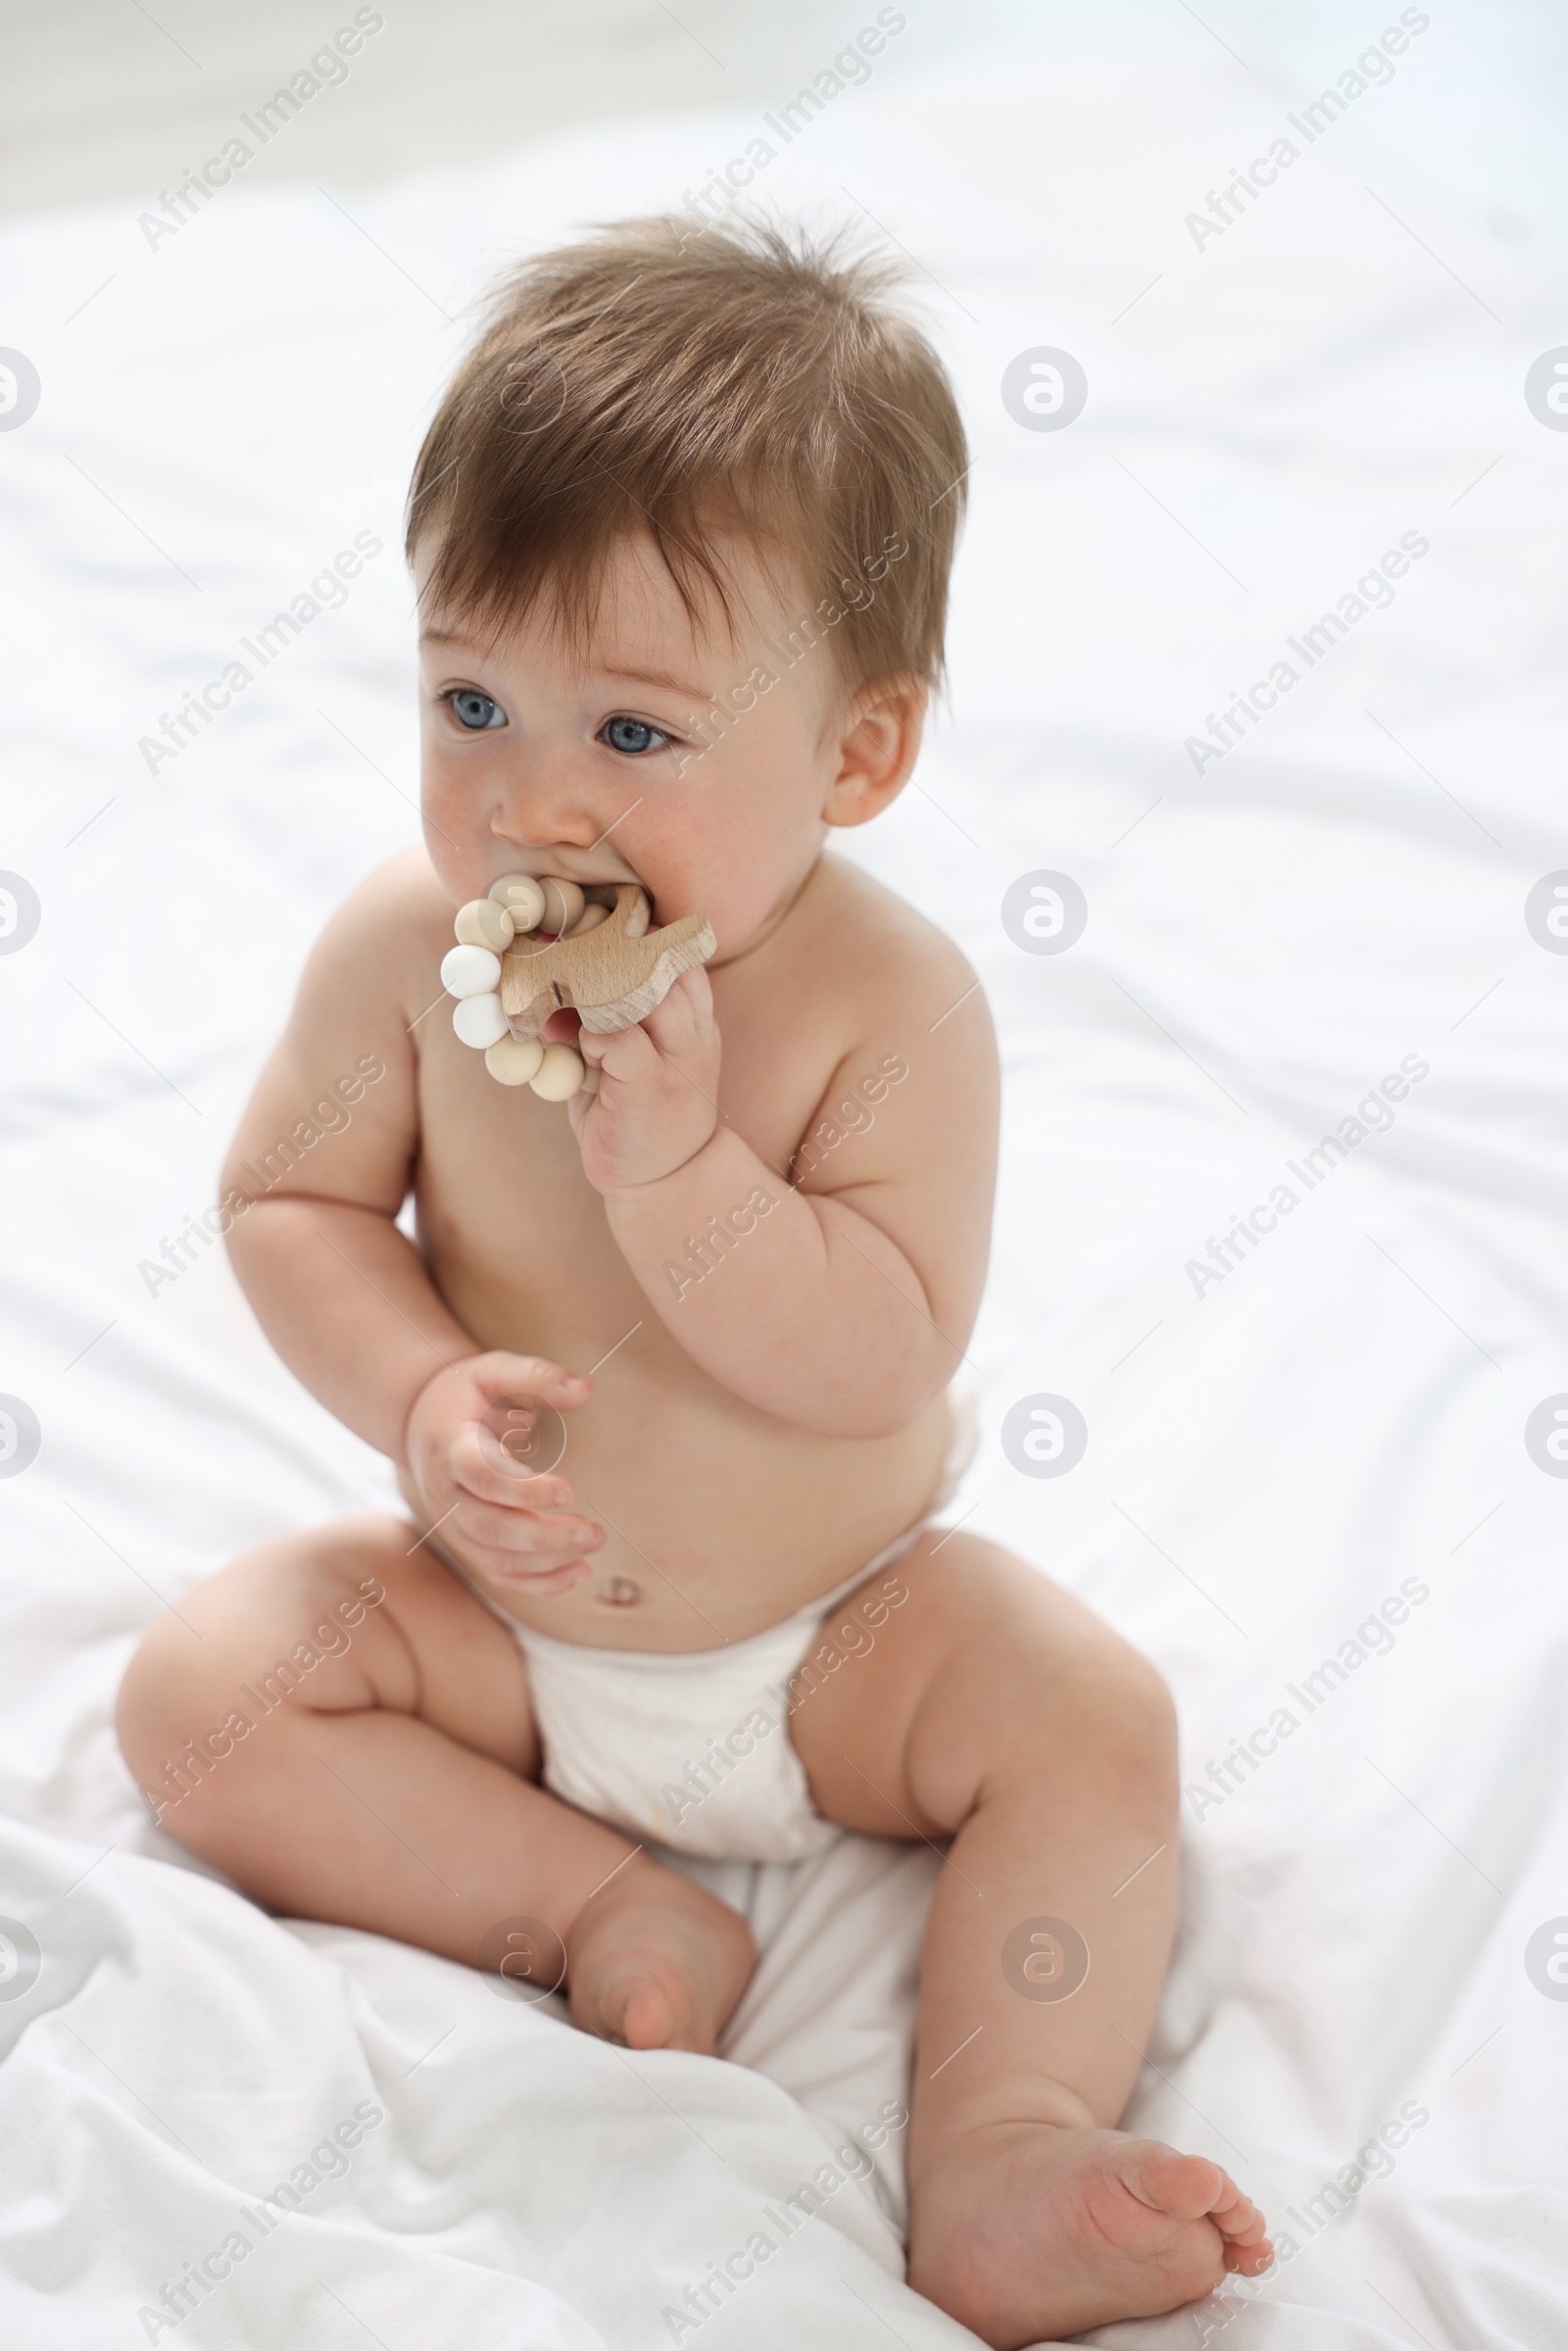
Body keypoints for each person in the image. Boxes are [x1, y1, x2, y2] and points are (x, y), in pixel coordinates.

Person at [118, 214, 1271, 2344]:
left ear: (854, 759)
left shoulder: (880, 1011)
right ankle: (600, 1906)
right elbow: (288, 1210)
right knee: (202, 1690)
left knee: (1089, 1719)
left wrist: (677, 1171)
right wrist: (417, 1401)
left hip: (835, 1642)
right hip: (505, 1626)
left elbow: (880, 1360)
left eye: (631, 736)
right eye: (469, 699)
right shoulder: (402, 951)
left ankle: (1004, 2144)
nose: (526, 800)